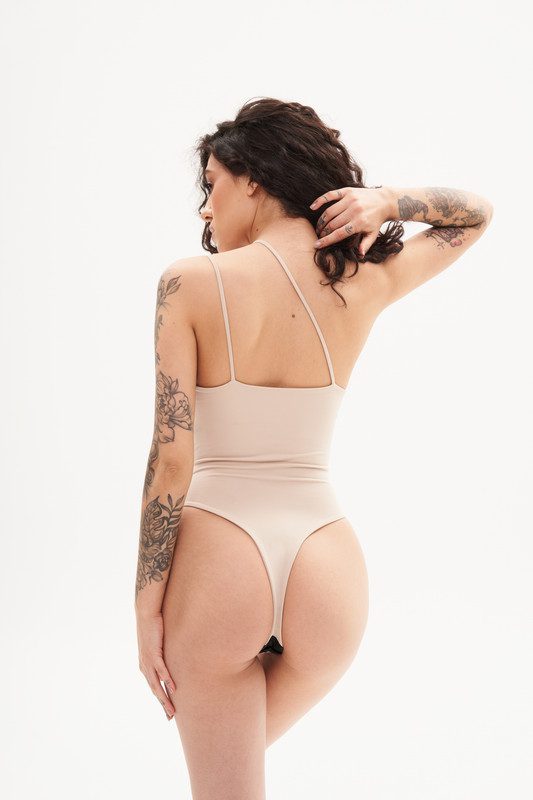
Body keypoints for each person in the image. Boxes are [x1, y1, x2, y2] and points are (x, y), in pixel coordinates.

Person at [134, 97, 493, 799]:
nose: (205, 208)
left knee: (225, 787)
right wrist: (388, 202)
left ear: (250, 177)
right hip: (329, 570)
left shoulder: (189, 283)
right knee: (235, 774)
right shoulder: (365, 278)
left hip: (222, 559)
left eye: (211, 184)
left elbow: (171, 457)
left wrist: (146, 612)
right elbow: (474, 215)